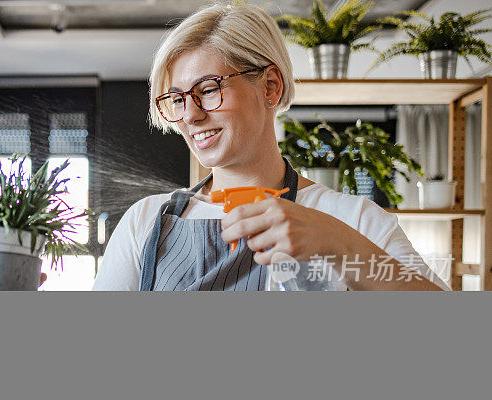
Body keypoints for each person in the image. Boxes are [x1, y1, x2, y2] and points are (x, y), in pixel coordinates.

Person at [91, 2, 448, 291]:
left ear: (270, 87)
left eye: (209, 90)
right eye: (177, 99)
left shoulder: (355, 221)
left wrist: (339, 242)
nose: (191, 116)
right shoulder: (147, 221)